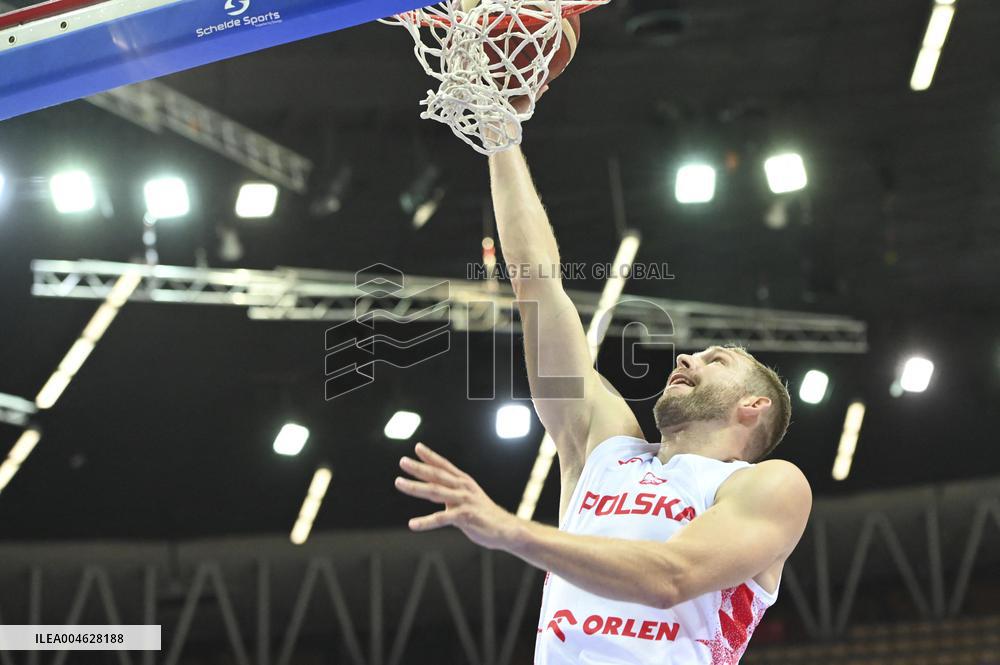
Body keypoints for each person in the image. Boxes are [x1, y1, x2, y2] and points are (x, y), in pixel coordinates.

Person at [394, 140, 812, 665]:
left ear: (754, 406)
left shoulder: (766, 485)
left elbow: (670, 576)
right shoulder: (606, 448)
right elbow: (537, 288)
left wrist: (510, 530)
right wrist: (502, 136)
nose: (687, 358)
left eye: (716, 360)